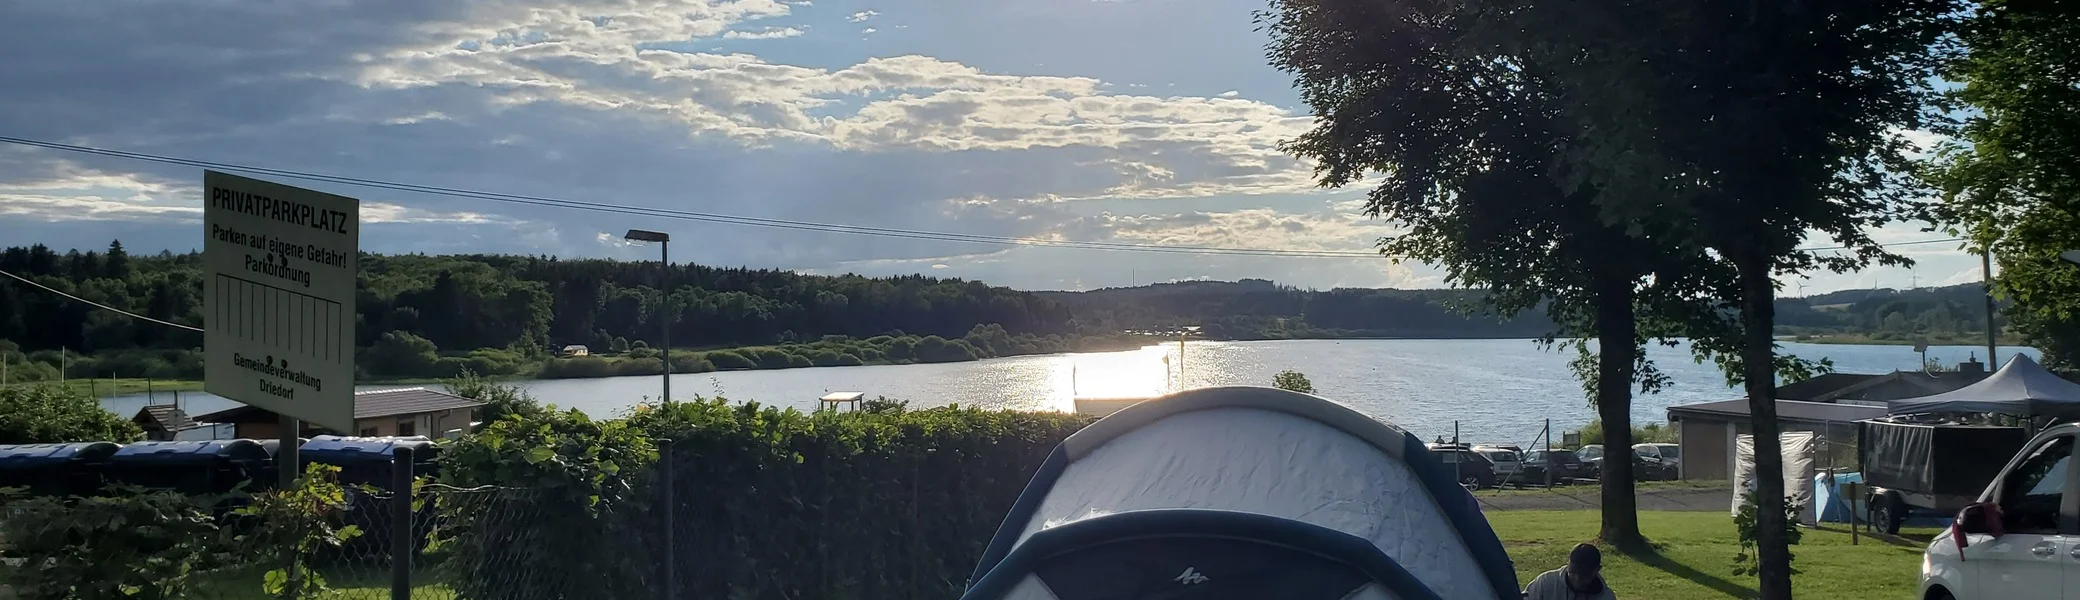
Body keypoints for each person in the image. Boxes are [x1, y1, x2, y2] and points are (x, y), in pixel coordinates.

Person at [1523, 543, 1614, 600]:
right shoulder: (1544, 583)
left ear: (1597, 570)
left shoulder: (1606, 597)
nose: (1577, 579)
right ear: (1568, 564)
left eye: (1583, 575)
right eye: (1573, 572)